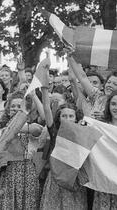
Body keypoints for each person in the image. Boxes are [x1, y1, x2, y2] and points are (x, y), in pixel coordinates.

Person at [39, 58, 87, 209]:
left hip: (75, 179)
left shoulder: (82, 132)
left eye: (70, 116)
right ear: (59, 117)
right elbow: (46, 108)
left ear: (76, 118)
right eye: (64, 116)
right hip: (56, 179)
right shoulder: (54, 131)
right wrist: (45, 89)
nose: (67, 118)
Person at [0, 91, 43, 210]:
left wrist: (11, 129)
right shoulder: (2, 127)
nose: (16, 109)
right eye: (13, 106)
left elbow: (36, 130)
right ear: (8, 110)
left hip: (27, 171)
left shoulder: (32, 125)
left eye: (19, 106)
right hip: (8, 170)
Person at [67, 53, 117, 120]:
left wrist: (107, 117)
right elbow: (83, 77)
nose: (110, 85)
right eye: (108, 82)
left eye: (115, 84)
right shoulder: (98, 96)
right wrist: (71, 56)